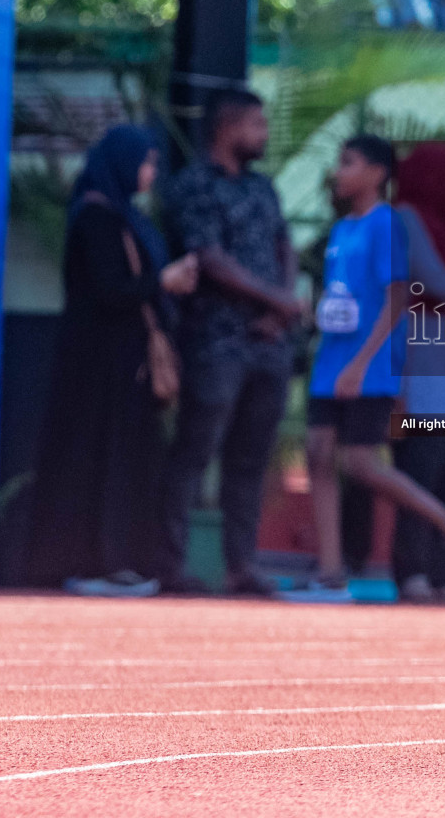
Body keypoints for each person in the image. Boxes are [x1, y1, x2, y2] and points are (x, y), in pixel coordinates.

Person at [26, 127, 199, 596]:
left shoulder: (126, 214)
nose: (151, 173)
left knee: (126, 458)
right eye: (145, 162)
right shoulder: (97, 216)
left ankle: (118, 558)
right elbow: (107, 288)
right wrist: (163, 280)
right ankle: (94, 560)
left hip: (125, 362)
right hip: (96, 363)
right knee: (96, 457)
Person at [306, 134, 445, 595]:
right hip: (330, 360)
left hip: (368, 366)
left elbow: (398, 295)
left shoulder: (388, 224)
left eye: (349, 162)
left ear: (378, 173)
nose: (339, 171)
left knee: (360, 462)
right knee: (318, 456)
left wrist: (363, 362)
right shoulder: (341, 230)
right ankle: (330, 570)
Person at [160, 89, 301, 597]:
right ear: (228, 127)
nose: (263, 136)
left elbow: (285, 245)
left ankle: (242, 566)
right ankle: (170, 565)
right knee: (195, 451)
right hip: (215, 341)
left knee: (251, 458)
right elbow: (209, 259)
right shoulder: (193, 185)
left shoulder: (263, 188)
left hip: (269, 342)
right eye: (257, 126)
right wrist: (277, 301)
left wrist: (279, 305)